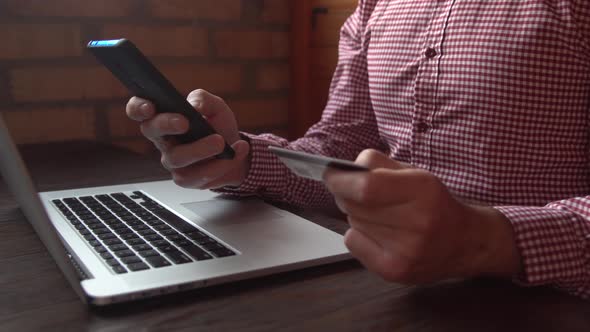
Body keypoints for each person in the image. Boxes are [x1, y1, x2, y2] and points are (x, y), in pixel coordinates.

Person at [126, 0, 590, 298]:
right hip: (386, 289)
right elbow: (339, 144)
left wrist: (484, 239)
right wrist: (238, 158)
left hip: (543, 304)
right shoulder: (375, 7)